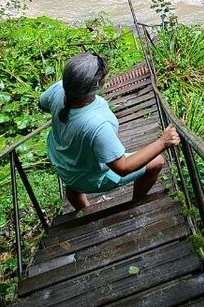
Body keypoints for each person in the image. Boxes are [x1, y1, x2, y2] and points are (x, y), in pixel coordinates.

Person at [39, 52, 180, 211]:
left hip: (63, 163)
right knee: (157, 162)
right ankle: (137, 203)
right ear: (96, 85)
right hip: (88, 177)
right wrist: (162, 142)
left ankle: (85, 211)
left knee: (73, 185)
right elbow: (123, 167)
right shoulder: (98, 124)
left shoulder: (58, 89)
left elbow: (42, 103)